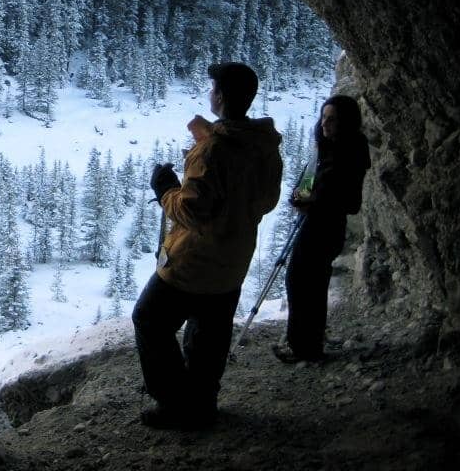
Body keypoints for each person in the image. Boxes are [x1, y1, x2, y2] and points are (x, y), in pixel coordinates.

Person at [132, 62, 283, 429]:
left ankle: (174, 403)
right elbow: (266, 200)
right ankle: (202, 405)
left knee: (149, 319)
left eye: (213, 88)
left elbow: (192, 210)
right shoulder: (262, 145)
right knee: (210, 334)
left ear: (219, 95)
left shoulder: (213, 150)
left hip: (193, 261)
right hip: (233, 259)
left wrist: (165, 187)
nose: (209, 94)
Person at [273, 95, 371, 363]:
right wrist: (300, 197)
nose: (325, 123)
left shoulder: (352, 153)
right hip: (316, 224)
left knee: (305, 282)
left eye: (332, 119)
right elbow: (306, 184)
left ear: (346, 123)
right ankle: (306, 344)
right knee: (306, 283)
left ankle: (305, 347)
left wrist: (312, 200)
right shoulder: (324, 149)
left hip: (326, 227)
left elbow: (351, 202)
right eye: (323, 117)